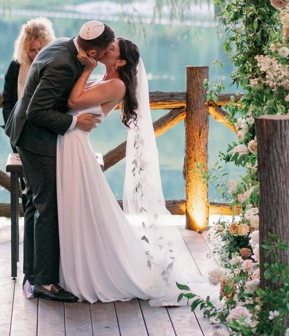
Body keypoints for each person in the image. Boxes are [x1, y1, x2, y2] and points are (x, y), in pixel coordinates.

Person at [57, 36, 202, 305]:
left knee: (80, 209)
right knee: (82, 210)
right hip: (71, 141)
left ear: (120, 61)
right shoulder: (105, 79)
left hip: (75, 145)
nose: (105, 49)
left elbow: (74, 102)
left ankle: (92, 272)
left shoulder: (116, 84)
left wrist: (86, 69)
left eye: (111, 49)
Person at [6, 20, 116, 302]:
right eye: (103, 54)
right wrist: (75, 121)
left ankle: (32, 274)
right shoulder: (65, 64)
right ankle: (44, 282)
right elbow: (36, 112)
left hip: (26, 134)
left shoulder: (63, 44)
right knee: (47, 207)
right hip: (35, 139)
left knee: (34, 203)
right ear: (92, 52)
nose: (104, 59)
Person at [3, 18, 55, 127]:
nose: (37, 54)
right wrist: (11, 126)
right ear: (25, 49)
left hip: (45, 129)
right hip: (18, 127)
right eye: (32, 50)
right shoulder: (15, 66)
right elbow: (7, 102)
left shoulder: (54, 66)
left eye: (40, 49)